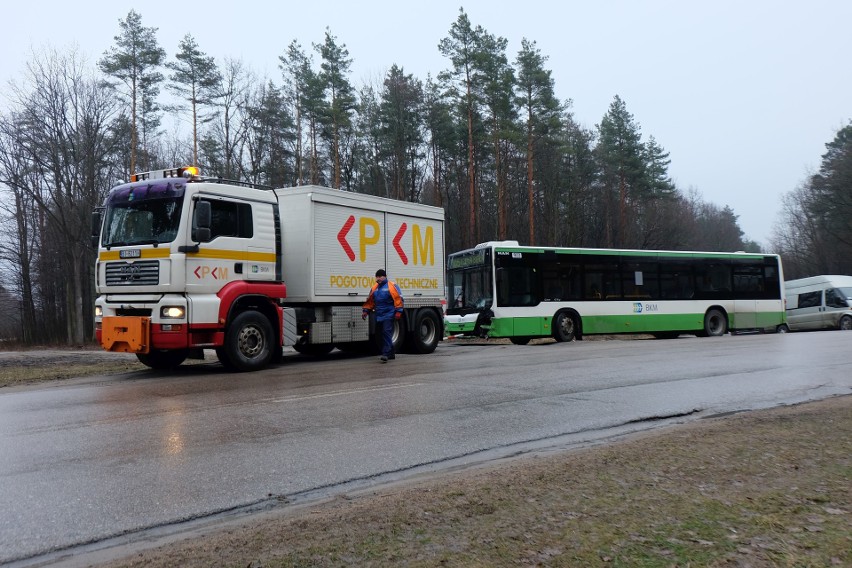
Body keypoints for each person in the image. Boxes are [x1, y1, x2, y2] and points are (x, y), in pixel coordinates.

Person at [362, 269, 404, 362]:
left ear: (385, 276)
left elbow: (399, 299)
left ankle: (386, 354)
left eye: (380, 276)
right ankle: (391, 352)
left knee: (386, 332)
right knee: (382, 334)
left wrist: (398, 311)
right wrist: (366, 311)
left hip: (389, 314)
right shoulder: (374, 288)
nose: (378, 278)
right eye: (377, 276)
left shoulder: (392, 286)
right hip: (379, 315)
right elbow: (370, 301)